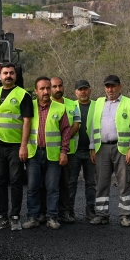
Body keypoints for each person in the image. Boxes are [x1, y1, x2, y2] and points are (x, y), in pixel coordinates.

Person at [88, 75, 130, 227]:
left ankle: (125, 216)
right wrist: (92, 147)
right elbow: (93, 126)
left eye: (113, 86)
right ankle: (101, 214)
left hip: (122, 149)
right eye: (107, 86)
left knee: (123, 183)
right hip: (101, 148)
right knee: (102, 182)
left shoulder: (129, 103)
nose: (110, 89)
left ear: (120, 86)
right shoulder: (98, 103)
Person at [23, 77, 70, 230]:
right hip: (33, 153)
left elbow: (66, 131)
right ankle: (33, 216)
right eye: (42, 89)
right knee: (33, 187)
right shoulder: (29, 107)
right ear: (35, 91)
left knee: (52, 188)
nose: (45, 92)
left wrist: (64, 151)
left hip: (53, 155)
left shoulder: (59, 108)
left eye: (48, 88)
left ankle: (52, 217)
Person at [0, 63, 32, 231]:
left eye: (11, 73)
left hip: (15, 145)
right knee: (0, 181)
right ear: (0, 76)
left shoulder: (23, 95)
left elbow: (27, 121)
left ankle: (15, 216)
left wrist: (23, 145)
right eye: (5, 73)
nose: (8, 76)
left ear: (16, 76)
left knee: (15, 181)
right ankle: (2, 217)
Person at [47, 76, 80, 224]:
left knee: (66, 183)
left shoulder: (73, 104)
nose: (58, 89)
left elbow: (76, 125)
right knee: (48, 184)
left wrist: (64, 142)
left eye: (60, 86)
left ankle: (65, 212)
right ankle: (46, 212)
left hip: (69, 151)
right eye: (54, 86)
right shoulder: (45, 104)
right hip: (49, 151)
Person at [68, 80, 97, 220]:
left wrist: (95, 148)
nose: (83, 91)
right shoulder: (70, 106)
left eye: (85, 89)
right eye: (80, 89)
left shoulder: (97, 106)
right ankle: (69, 211)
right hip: (73, 151)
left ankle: (90, 211)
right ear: (76, 92)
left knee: (91, 183)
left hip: (91, 151)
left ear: (90, 90)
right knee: (71, 182)